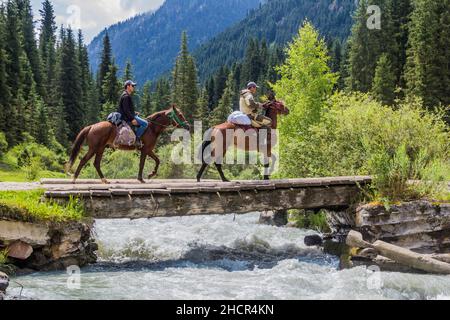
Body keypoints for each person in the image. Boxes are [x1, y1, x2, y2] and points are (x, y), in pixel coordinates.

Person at [118, 80, 148, 148]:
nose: (133, 87)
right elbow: (126, 110)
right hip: (127, 118)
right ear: (128, 86)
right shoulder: (126, 96)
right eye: (132, 85)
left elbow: (126, 109)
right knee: (145, 124)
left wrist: (134, 113)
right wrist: (132, 119)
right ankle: (137, 139)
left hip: (129, 115)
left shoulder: (125, 95)